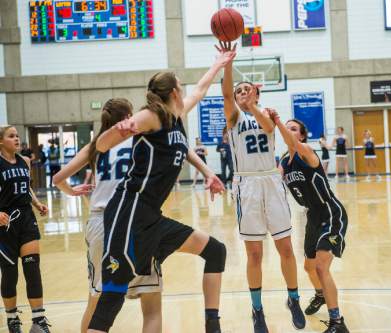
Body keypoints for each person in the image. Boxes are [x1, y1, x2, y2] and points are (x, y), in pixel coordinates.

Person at [88, 48, 234, 333]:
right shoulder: (150, 116)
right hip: (128, 212)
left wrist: (218, 62)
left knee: (215, 251)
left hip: (151, 217)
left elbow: (202, 89)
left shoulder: (176, 116)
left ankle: (212, 325)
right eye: (181, 84)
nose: (185, 88)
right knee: (112, 297)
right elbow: (102, 146)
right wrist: (119, 129)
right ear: (175, 92)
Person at [53, 99, 165, 333]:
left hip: (100, 222)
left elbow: (57, 179)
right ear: (128, 116)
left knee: (96, 298)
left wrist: (72, 191)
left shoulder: (96, 145)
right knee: (151, 299)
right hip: (134, 218)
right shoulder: (140, 139)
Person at [220, 41, 305, 332]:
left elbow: (269, 129)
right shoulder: (233, 118)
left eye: (247, 89)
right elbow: (226, 91)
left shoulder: (267, 114)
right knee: (255, 253)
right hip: (247, 185)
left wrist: (252, 103)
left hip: (270, 180)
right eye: (238, 91)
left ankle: (293, 298)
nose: (241, 93)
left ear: (256, 92)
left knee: (285, 248)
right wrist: (228, 63)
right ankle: (257, 310)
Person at [272, 113, 349, 333]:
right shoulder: (284, 161)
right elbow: (274, 181)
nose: (290, 130)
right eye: (288, 128)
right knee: (308, 267)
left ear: (302, 135)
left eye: (294, 128)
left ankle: (337, 322)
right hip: (312, 217)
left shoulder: (307, 152)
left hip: (331, 213)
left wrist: (276, 121)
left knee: (321, 266)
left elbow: (293, 142)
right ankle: (321, 295)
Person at [0, 125, 50, 333]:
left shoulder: (25, 161)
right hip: (5, 223)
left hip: (26, 219)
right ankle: (12, 319)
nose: (17, 139)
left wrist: (37, 204)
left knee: (32, 268)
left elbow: (26, 188)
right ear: (1, 142)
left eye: (17, 135)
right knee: (10, 274)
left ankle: (38, 320)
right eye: (11, 136)